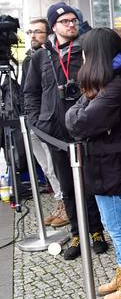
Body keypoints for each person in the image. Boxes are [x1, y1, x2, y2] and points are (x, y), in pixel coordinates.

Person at [65, 27, 121, 299]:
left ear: (96, 54)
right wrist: (79, 110)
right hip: (105, 165)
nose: (83, 57)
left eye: (86, 52)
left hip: (112, 167)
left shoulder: (116, 85)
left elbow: (79, 122)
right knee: (115, 226)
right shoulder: (108, 83)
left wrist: (78, 111)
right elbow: (78, 116)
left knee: (119, 227)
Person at [23, 2, 108, 260]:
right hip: (55, 133)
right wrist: (38, 122)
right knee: (68, 186)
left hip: (85, 126)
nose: (71, 24)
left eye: (74, 20)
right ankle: (77, 232)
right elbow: (31, 93)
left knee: (91, 182)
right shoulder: (40, 57)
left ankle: (96, 231)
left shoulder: (88, 49)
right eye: (65, 21)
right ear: (53, 27)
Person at [21, 18, 68, 228]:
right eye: (30, 32)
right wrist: (33, 119)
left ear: (48, 33)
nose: (33, 36)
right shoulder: (29, 58)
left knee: (54, 165)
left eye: (38, 32)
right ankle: (60, 202)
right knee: (47, 168)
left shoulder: (52, 56)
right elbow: (29, 91)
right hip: (35, 121)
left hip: (50, 122)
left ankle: (67, 205)